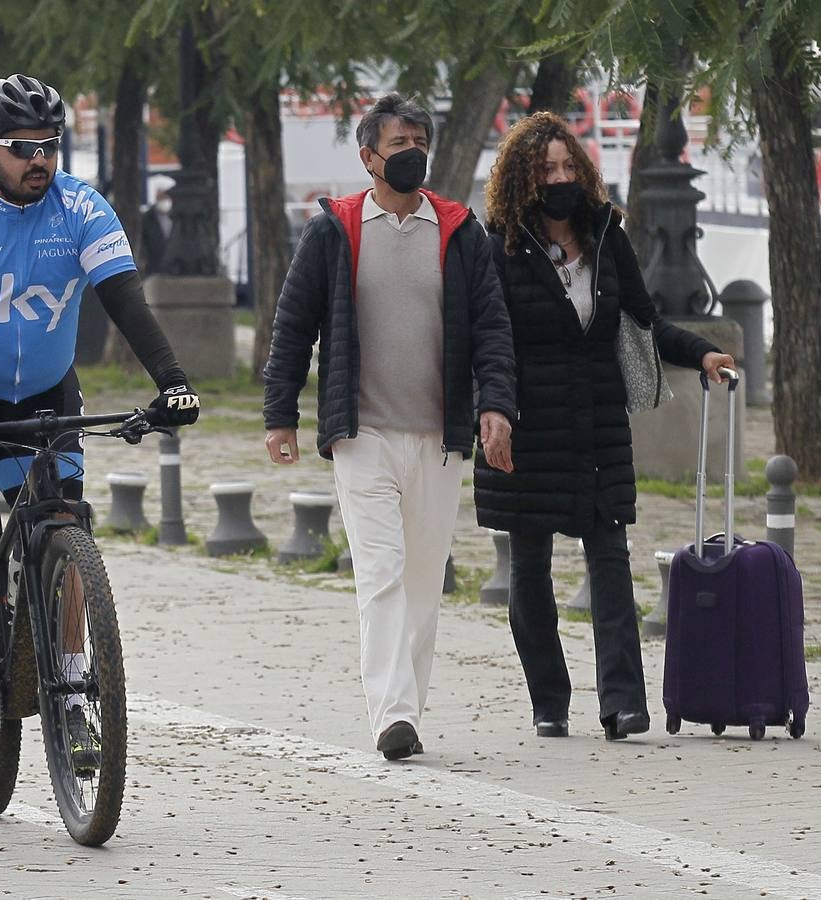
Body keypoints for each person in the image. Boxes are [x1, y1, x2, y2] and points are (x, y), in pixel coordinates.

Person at [0, 73, 199, 762]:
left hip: (43, 388)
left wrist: (173, 383)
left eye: (50, 147)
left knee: (61, 525)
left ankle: (69, 689)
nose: (40, 161)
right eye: (23, 147)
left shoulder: (81, 208)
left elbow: (126, 300)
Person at [262, 92, 517, 761]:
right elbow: (293, 326)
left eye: (419, 141)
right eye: (398, 143)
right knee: (380, 573)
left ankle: (407, 703)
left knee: (423, 582)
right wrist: (279, 415)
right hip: (362, 434)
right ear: (368, 156)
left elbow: (492, 327)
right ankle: (393, 716)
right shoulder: (334, 230)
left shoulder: (461, 231)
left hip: (439, 436)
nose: (413, 153)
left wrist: (496, 405)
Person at [474, 111, 736, 741]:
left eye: (568, 166)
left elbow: (643, 324)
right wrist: (493, 411)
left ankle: (623, 702)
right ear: (522, 180)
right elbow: (488, 340)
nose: (560, 178)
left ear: (585, 171)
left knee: (611, 559)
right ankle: (549, 700)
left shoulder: (606, 237)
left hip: (596, 425)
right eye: (546, 170)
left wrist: (700, 351)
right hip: (526, 423)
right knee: (529, 566)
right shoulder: (500, 247)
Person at [139, 176, 174, 274]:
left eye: (165, 196)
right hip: (153, 268)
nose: (164, 200)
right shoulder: (147, 218)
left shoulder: (176, 215)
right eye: (161, 196)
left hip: (173, 269)